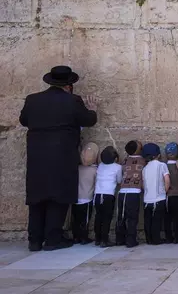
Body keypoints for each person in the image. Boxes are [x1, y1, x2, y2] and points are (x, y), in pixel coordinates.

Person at [20, 66, 98, 251]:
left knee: (37, 196)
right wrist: (93, 110)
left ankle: (34, 240)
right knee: (58, 195)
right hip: (62, 155)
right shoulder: (73, 101)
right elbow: (88, 120)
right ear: (69, 85)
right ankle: (53, 238)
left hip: (37, 155)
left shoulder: (32, 99)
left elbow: (24, 120)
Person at [116, 140, 145, 248]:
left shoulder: (125, 160)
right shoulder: (142, 161)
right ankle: (131, 240)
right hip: (134, 192)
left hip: (122, 192)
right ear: (138, 149)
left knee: (121, 216)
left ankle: (119, 239)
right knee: (132, 218)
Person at [93, 146, 121, 248]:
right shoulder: (117, 167)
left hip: (98, 194)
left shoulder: (100, 166)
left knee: (98, 216)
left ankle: (97, 238)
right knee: (107, 218)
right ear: (115, 158)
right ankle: (105, 240)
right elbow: (119, 181)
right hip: (108, 195)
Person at [142, 143, 170, 245]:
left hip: (147, 199)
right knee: (156, 221)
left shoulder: (145, 168)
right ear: (158, 155)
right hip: (159, 198)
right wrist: (165, 191)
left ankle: (148, 239)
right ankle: (156, 239)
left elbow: (143, 184)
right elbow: (167, 180)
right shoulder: (162, 165)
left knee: (148, 220)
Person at [72, 142, 99, 245]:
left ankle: (75, 237)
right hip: (87, 198)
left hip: (76, 197)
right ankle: (83, 237)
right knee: (85, 219)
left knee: (75, 219)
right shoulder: (95, 170)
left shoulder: (78, 168)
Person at [164, 142, 178, 244]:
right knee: (177, 218)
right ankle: (177, 237)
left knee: (168, 217)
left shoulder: (164, 166)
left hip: (167, 195)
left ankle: (168, 237)